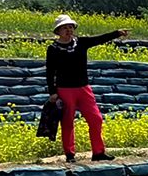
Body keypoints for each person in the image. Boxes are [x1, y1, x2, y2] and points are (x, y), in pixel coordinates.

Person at [46, 14, 129, 162]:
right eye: (65, 28)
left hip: (83, 88)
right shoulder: (53, 49)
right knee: (67, 121)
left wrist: (117, 33)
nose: (68, 30)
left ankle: (98, 152)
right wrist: (52, 92)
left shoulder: (81, 43)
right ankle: (70, 154)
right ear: (58, 31)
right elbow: (50, 71)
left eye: (70, 27)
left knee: (96, 118)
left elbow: (99, 39)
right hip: (65, 90)